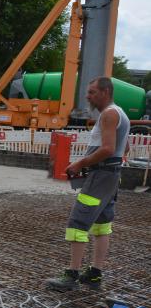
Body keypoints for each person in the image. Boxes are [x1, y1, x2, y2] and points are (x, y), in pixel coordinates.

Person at [47, 77, 130, 292]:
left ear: (105, 92)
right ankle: (94, 274)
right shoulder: (120, 113)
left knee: (78, 223)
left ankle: (71, 276)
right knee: (102, 226)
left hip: (100, 176)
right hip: (111, 177)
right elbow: (125, 148)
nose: (87, 96)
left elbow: (108, 148)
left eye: (92, 92)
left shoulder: (109, 114)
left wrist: (80, 163)